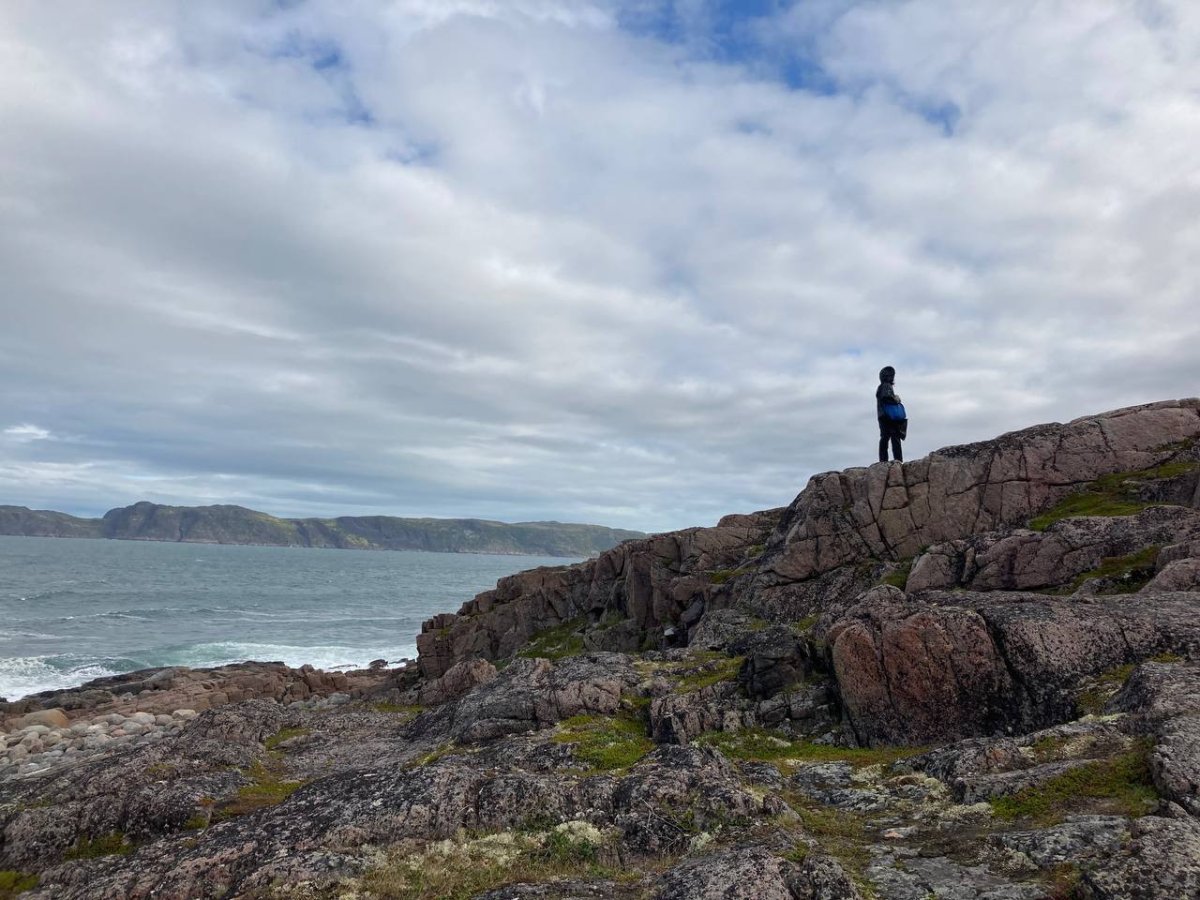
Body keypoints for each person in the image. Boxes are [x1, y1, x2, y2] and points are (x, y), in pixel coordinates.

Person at [876, 366, 904, 463]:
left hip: (883, 416)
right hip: (889, 417)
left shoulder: (881, 387)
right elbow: (886, 397)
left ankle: (883, 461)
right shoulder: (886, 386)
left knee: (885, 437)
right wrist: (896, 399)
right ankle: (898, 460)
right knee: (894, 437)